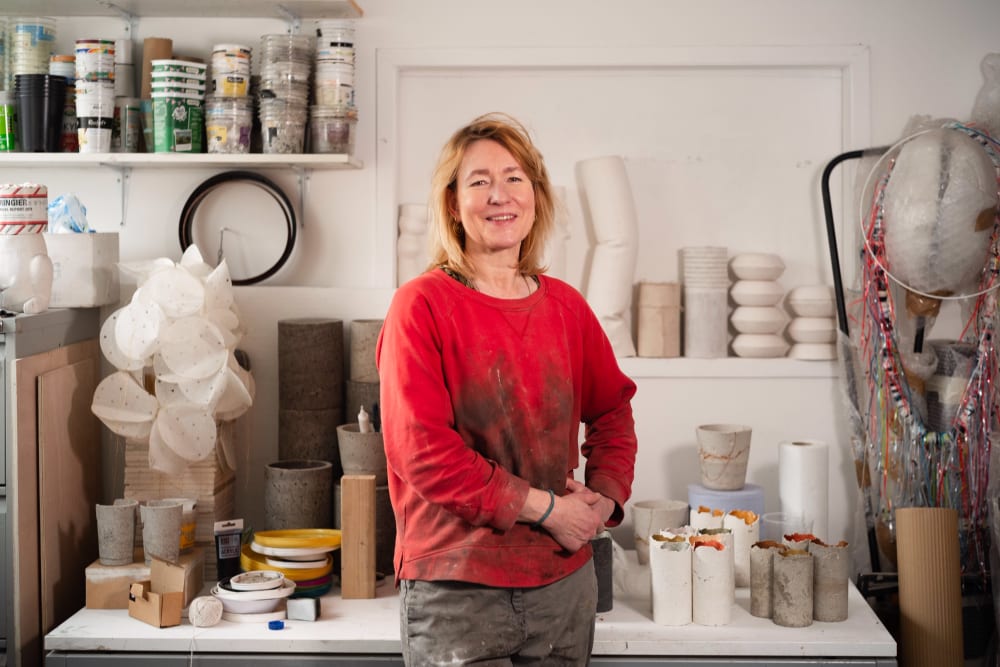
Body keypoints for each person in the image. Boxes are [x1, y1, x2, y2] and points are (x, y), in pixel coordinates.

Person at [375, 112, 638, 666]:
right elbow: (423, 454)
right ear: (452, 204)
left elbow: (613, 409)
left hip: (563, 587)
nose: (500, 195)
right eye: (479, 181)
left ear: (536, 198)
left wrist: (604, 497)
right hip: (457, 592)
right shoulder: (420, 306)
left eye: (515, 178)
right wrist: (548, 510)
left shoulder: (566, 307)